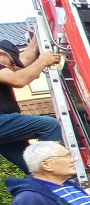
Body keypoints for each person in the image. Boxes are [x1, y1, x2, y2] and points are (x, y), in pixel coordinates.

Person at [0, 39, 63, 174]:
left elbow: (23, 64)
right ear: (1, 54)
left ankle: (50, 185)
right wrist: (43, 61)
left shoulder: (4, 66)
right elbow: (19, 79)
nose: (12, 67)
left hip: (5, 128)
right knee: (49, 125)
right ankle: (53, 174)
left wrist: (36, 38)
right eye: (11, 63)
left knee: (34, 169)